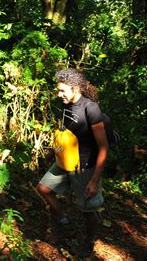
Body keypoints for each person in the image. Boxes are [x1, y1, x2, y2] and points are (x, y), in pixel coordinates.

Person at [36, 68, 108, 258]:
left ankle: (89, 241)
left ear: (75, 89)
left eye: (62, 91)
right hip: (64, 160)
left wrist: (93, 180)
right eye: (58, 90)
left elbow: (103, 147)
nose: (58, 94)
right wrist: (53, 153)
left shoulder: (90, 109)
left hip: (83, 167)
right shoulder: (67, 104)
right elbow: (67, 132)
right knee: (43, 188)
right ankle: (62, 219)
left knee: (87, 210)